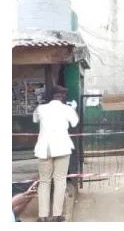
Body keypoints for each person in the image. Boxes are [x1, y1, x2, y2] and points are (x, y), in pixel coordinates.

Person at [33, 86, 79, 222]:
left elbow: (35, 119)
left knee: (44, 182)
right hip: (62, 148)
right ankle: (57, 215)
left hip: (44, 149)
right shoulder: (67, 109)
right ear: (63, 97)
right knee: (60, 181)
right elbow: (75, 123)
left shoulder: (41, 108)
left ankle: (42, 216)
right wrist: (73, 108)